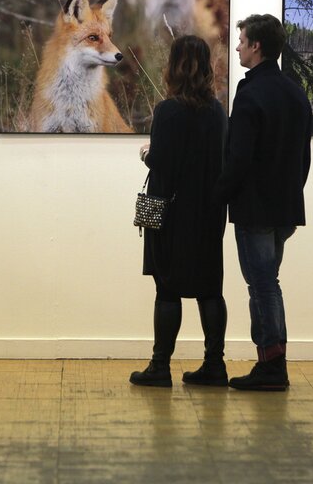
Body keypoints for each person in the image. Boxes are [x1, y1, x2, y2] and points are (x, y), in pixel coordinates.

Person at [215, 14, 312, 391]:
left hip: (255, 209)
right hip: (285, 209)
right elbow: (304, 158)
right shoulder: (294, 92)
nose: (237, 45)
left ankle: (272, 367)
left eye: (241, 40)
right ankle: (271, 363)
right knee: (268, 282)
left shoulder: (251, 92)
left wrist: (217, 197)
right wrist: (290, 193)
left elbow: (239, 158)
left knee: (263, 286)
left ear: (256, 46)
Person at [130, 35, 228, 388]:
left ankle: (160, 367)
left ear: (174, 66)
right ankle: (214, 365)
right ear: (205, 68)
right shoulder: (218, 111)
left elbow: (162, 163)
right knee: (210, 290)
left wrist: (145, 152)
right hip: (209, 214)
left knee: (167, 289)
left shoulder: (168, 111)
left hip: (169, 214)